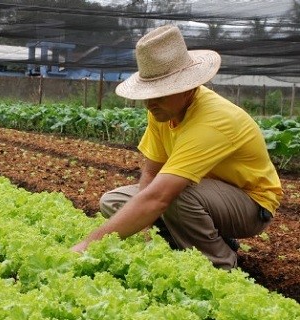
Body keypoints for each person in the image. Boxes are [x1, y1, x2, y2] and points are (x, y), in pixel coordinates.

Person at [71, 24, 283, 270]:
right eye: (148, 94)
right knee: (114, 201)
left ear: (188, 89)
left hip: (251, 204)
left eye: (160, 94)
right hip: (205, 194)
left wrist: (86, 246)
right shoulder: (162, 111)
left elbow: (160, 196)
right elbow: (151, 173)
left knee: (174, 196)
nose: (150, 103)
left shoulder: (213, 120)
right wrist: (145, 231)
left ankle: (220, 263)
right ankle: (188, 244)